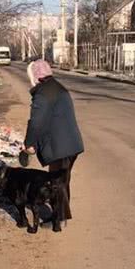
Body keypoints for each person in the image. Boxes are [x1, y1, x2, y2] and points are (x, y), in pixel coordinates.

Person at [24, 60, 84, 222]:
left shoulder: (43, 93)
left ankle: (59, 218)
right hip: (69, 143)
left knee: (57, 183)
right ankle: (61, 215)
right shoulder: (56, 86)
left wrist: (29, 144)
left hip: (60, 146)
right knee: (62, 180)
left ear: (35, 77)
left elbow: (37, 123)